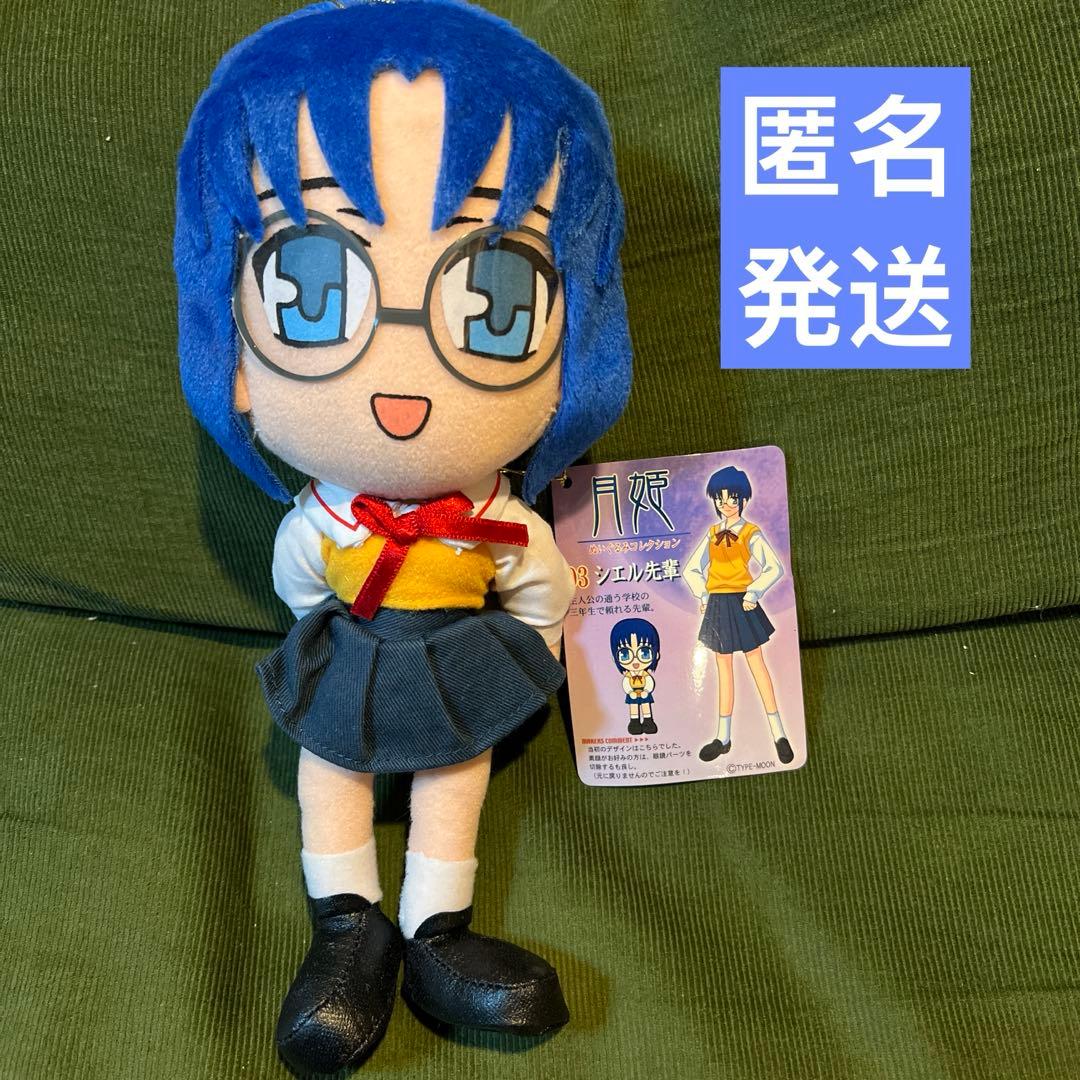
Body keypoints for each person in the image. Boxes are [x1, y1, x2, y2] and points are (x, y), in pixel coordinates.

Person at [174, 2, 631, 1072]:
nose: (401, 380)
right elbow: (299, 580)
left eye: (496, 293)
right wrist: (321, 619)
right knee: (328, 766)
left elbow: (542, 584)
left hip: (460, 657)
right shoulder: (330, 515)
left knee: (456, 770)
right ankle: (346, 922)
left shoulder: (493, 517)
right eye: (315, 290)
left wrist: (543, 642)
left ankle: (437, 926)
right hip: (352, 651)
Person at [682, 466, 794, 765]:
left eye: (732, 497)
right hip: (718, 603)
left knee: (757, 664)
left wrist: (753, 592)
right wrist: (703, 595)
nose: (726, 503)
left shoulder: (749, 532)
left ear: (743, 499)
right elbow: (691, 569)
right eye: (720, 498)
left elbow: (773, 567)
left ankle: (779, 733)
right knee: (723, 669)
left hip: (742, 601)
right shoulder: (712, 533)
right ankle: (723, 737)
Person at [610, 617, 661, 734]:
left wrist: (646, 691)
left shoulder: (645, 675)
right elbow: (626, 684)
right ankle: (634, 722)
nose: (635, 661)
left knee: (646, 705)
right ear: (614, 658)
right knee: (633, 707)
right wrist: (630, 692)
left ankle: (648, 721)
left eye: (644, 653)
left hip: (644, 692)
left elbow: (649, 683)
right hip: (632, 693)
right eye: (625, 654)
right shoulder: (628, 676)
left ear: (656, 654)